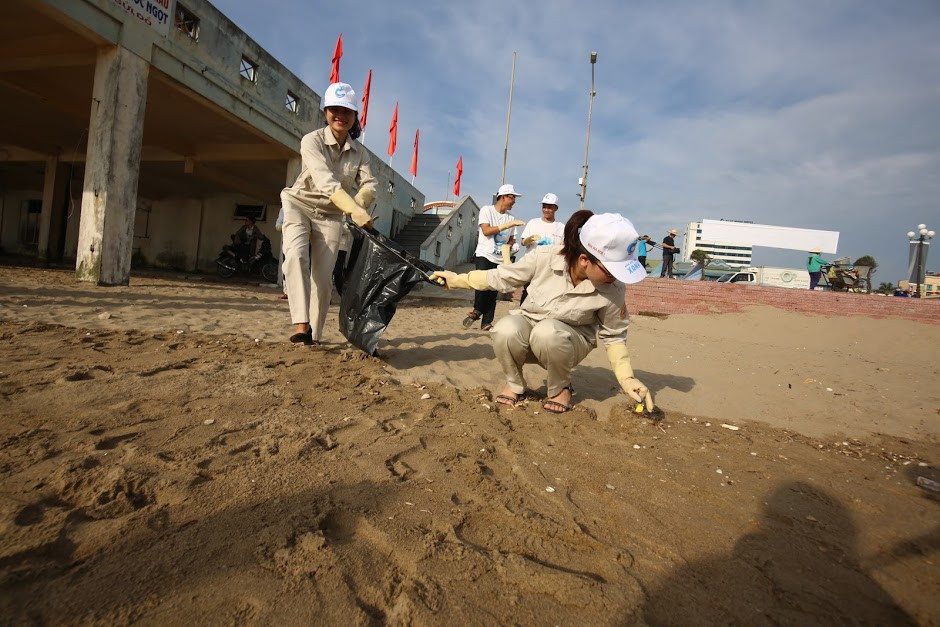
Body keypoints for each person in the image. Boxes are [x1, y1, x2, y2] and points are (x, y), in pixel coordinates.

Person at [432, 210, 654, 415]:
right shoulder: (545, 257)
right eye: (611, 271)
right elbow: (501, 276)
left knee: (548, 332)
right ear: (585, 260)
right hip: (529, 331)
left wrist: (627, 379)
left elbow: (614, 336)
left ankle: (560, 387)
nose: (615, 278)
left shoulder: (613, 289)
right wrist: (456, 280)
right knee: (505, 328)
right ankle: (515, 383)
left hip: (568, 342)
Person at [280, 82, 377, 345]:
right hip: (299, 204)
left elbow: (370, 184)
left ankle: (315, 335)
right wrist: (354, 209)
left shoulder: (361, 153)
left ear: (355, 116)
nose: (340, 116)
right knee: (296, 256)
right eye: (334, 109)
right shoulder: (311, 140)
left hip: (331, 216)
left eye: (347, 111)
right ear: (325, 112)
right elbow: (325, 181)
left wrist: (361, 200)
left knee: (323, 282)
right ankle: (302, 326)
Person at [462, 184, 525, 331]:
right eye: (512, 198)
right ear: (503, 197)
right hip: (484, 254)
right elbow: (486, 231)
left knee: (493, 290)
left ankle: (486, 322)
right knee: (482, 283)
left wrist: (511, 247)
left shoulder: (511, 218)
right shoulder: (487, 210)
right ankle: (477, 309)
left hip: (499, 259)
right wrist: (506, 225)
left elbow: (512, 240)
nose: (514, 201)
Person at [518, 193, 566, 305]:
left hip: (549, 268)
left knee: (546, 294)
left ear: (556, 208)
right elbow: (523, 242)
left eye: (549, 207)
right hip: (532, 265)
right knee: (528, 291)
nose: (546, 210)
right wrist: (528, 240)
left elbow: (563, 247)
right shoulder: (533, 223)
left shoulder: (561, 227)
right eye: (544, 206)